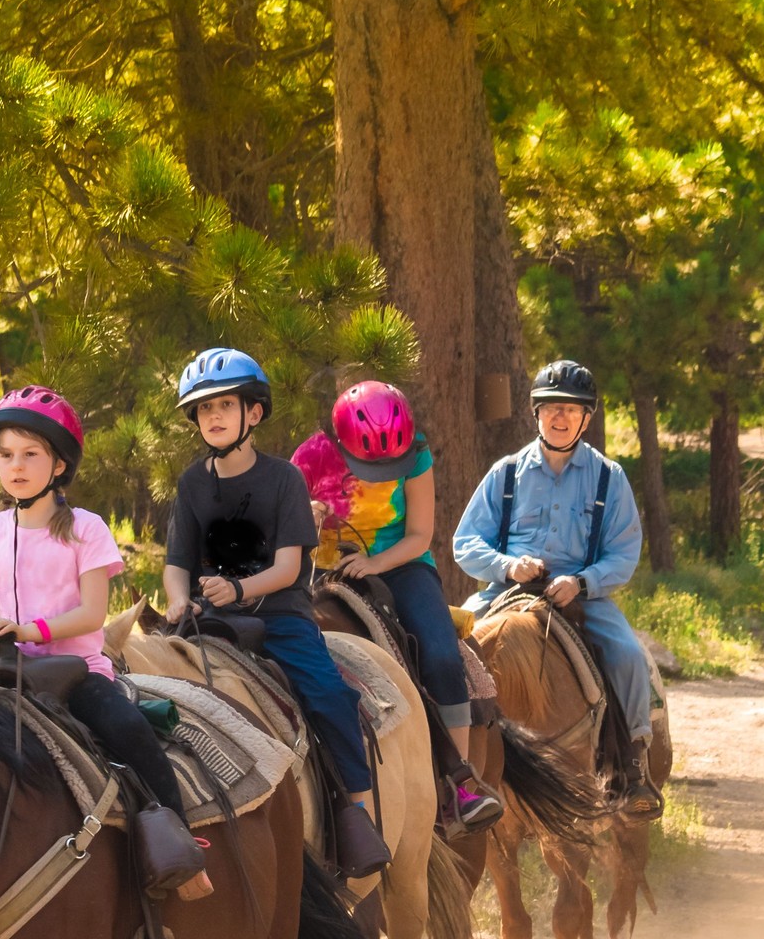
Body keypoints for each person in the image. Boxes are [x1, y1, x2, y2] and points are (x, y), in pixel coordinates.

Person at [0, 386, 210, 900]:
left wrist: (30, 630)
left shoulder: (86, 529)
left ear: (58, 465)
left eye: (30, 454)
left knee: (128, 730)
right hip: (10, 673)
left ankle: (179, 845)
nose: (16, 466)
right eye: (6, 454)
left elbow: (93, 614)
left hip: (77, 673)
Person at [163, 348, 392, 878]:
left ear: (254, 413)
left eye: (224, 405)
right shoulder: (192, 484)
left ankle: (355, 811)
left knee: (330, 694)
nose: (213, 416)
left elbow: (290, 567)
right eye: (203, 409)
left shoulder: (284, 479)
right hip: (206, 617)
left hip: (279, 615)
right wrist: (178, 598)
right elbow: (177, 562)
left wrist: (238, 590)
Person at [454, 359, 664, 819]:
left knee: (628, 655)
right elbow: (465, 542)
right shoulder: (506, 474)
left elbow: (624, 552)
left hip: (581, 595)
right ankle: (449, 768)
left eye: (571, 409)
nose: (560, 417)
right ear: (536, 414)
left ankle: (633, 768)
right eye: (551, 408)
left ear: (587, 419)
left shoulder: (610, 477)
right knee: (451, 645)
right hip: (504, 590)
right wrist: (509, 566)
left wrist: (583, 581)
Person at [301, 380, 503, 832]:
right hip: (321, 567)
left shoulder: (418, 454)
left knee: (441, 655)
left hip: (400, 565)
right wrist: (307, 518)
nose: (384, 470)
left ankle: (460, 786)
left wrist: (373, 563)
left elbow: (418, 536)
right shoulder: (312, 457)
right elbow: (284, 534)